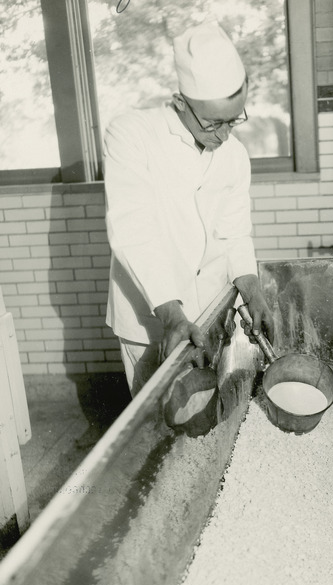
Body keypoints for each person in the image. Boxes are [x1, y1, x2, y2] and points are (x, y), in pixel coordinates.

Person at [104, 22, 274, 395]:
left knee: (206, 416)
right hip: (152, 320)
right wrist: (172, 315)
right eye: (214, 123)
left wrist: (252, 288)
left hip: (209, 313)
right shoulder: (132, 135)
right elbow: (133, 229)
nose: (224, 135)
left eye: (234, 120)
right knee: (157, 426)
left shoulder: (235, 155)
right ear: (180, 102)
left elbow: (234, 232)